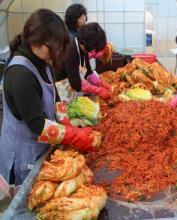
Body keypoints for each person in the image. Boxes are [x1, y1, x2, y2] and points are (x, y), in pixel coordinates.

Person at [0, 9, 102, 186]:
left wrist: (67, 123)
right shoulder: (20, 74)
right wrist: (73, 136)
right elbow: (37, 124)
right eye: (55, 48)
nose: (57, 54)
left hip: (41, 146)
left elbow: (54, 96)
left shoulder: (42, 62)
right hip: (23, 153)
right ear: (38, 41)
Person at [55, 22, 111, 102]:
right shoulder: (70, 50)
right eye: (95, 47)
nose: (94, 51)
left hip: (73, 92)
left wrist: (100, 83)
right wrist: (99, 91)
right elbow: (76, 83)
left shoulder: (83, 49)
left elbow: (88, 72)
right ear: (90, 43)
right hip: (62, 92)